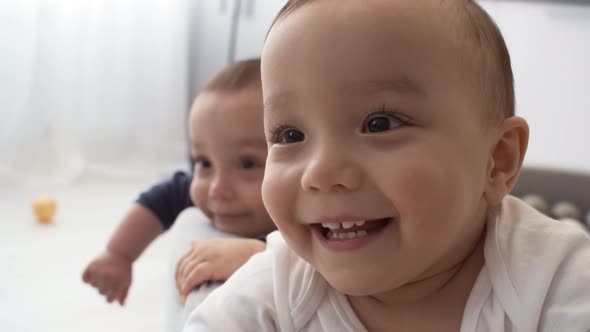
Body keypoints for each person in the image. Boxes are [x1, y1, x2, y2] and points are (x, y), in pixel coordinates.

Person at [184, 1, 590, 331]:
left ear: (497, 161)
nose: (320, 173)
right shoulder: (281, 286)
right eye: (290, 135)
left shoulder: (556, 277)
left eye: (380, 124)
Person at [82, 58, 275, 309]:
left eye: (247, 164)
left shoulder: (310, 221)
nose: (217, 189)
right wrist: (119, 254)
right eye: (204, 162)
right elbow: (159, 200)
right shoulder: (204, 192)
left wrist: (258, 253)